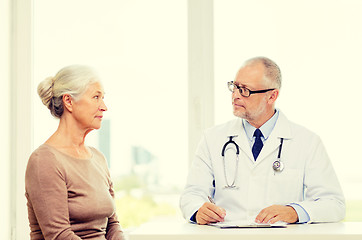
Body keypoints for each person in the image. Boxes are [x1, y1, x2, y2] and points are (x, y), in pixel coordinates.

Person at [180, 56, 345, 225]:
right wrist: (198, 210)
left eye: (245, 90)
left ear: (272, 96)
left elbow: (334, 204)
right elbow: (191, 195)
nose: (235, 96)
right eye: (234, 87)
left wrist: (295, 211)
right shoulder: (213, 139)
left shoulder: (307, 142)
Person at [25, 65, 124, 239]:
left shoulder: (98, 158)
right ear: (69, 101)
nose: (104, 107)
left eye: (103, 98)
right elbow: (59, 235)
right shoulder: (44, 160)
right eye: (96, 97)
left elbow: (113, 225)